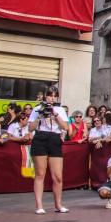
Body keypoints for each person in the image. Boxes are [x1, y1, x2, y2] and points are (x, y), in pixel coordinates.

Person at [28, 86, 69, 214]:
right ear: (46, 96)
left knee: (58, 176)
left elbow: (65, 127)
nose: (52, 97)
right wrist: (40, 116)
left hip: (54, 138)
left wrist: (55, 114)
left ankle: (58, 204)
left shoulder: (60, 110)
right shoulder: (37, 109)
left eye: (54, 95)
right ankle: (39, 205)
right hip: (40, 137)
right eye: (50, 95)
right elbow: (30, 128)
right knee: (40, 174)